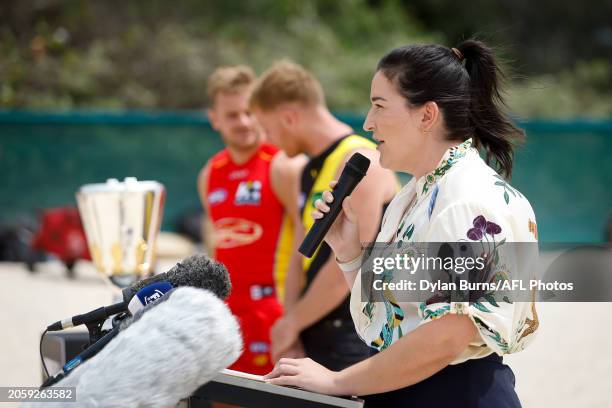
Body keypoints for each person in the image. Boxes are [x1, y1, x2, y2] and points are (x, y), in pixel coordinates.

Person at [263, 40, 540, 407]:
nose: (367, 123)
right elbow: (395, 317)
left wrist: (337, 381)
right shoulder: (418, 193)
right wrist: (348, 253)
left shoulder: (466, 200)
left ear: (427, 115)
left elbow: (448, 336)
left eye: (379, 105)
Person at [249, 61, 399, 371]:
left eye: (268, 129)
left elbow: (347, 265)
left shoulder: (363, 160)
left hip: (351, 336)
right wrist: (291, 329)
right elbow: (299, 253)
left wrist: (291, 323)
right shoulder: (306, 170)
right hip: (311, 331)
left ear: (289, 117)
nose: (268, 140)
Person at [198, 65, 306, 375]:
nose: (243, 122)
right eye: (232, 115)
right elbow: (214, 249)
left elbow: (308, 246)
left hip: (275, 314)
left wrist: (294, 323)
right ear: (214, 119)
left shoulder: (284, 164)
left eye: (249, 112)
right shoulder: (210, 173)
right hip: (228, 315)